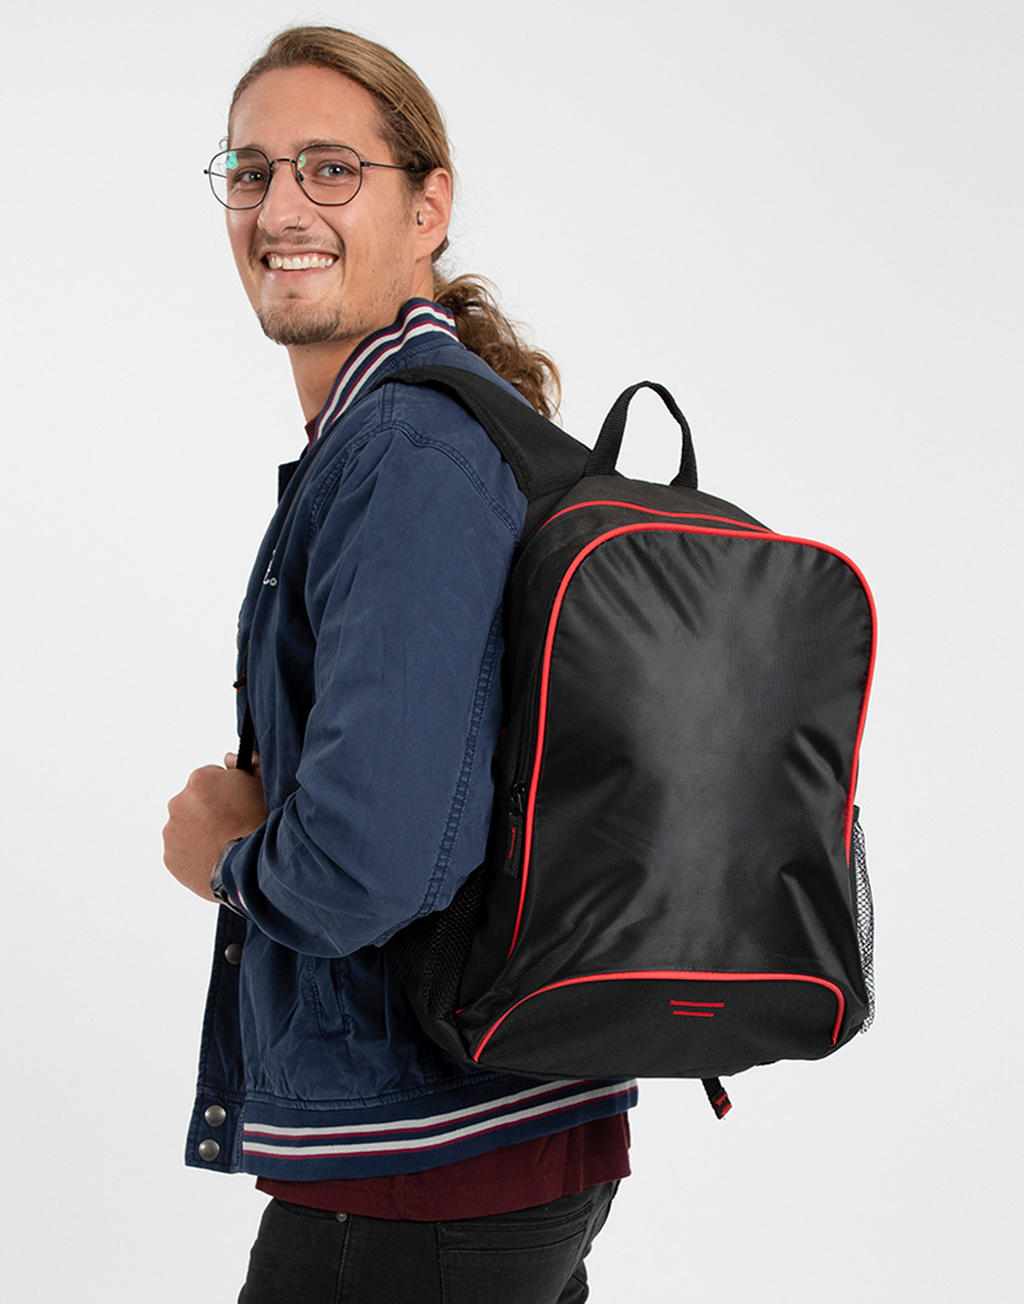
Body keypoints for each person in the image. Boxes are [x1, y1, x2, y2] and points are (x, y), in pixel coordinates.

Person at [162, 26, 636, 1302]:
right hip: (497, 1140)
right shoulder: (421, 425)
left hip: (420, 1173)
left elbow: (368, 863)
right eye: (251, 170)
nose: (280, 208)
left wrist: (222, 854)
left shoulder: (407, 451)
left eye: (331, 168)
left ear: (427, 206)